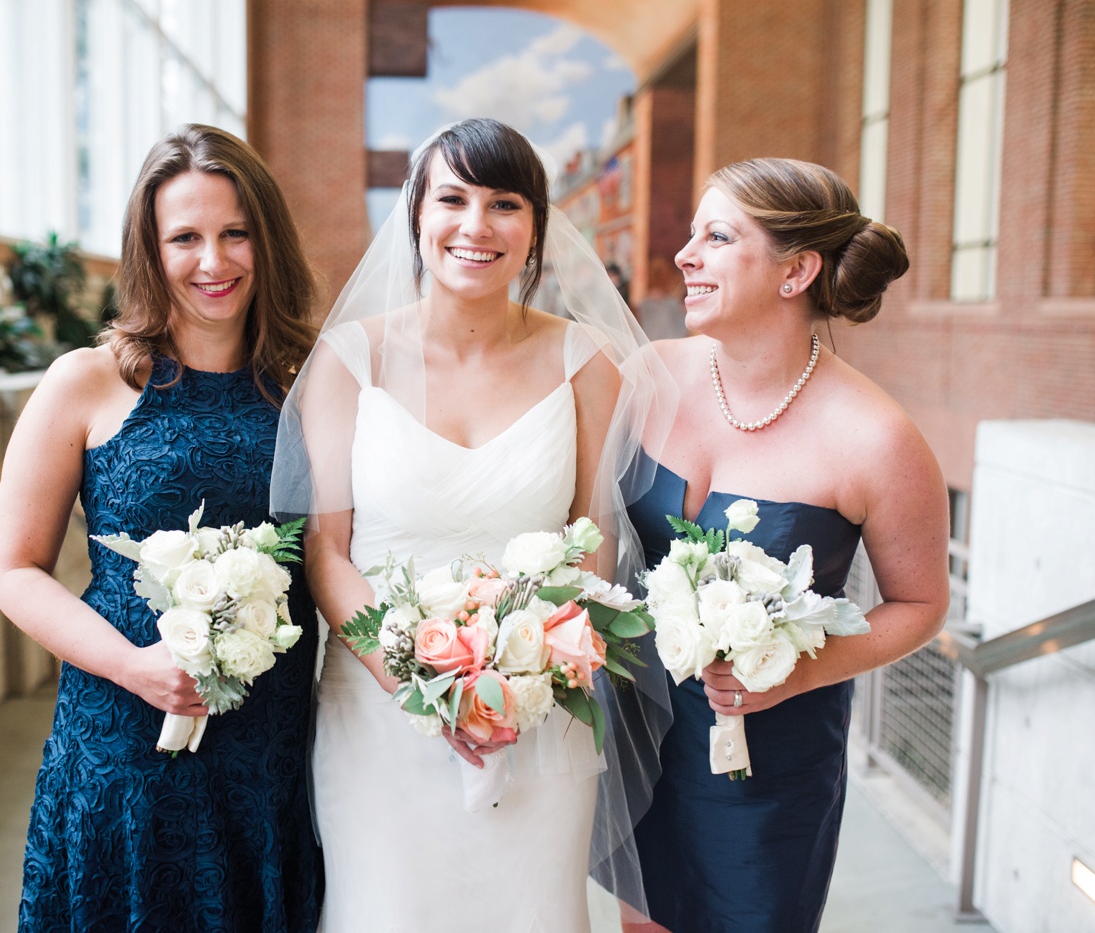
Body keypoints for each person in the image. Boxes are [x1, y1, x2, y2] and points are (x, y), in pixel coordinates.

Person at [271, 118, 669, 932]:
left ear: (537, 227)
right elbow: (327, 551)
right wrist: (417, 683)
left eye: (505, 204)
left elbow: (592, 545)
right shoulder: (349, 362)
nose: (476, 225)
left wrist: (521, 686)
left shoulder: (587, 363)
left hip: (536, 709)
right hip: (379, 705)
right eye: (452, 198)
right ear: (416, 216)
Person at [0, 124, 323, 932]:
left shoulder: (314, 383)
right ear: (149, 247)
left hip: (268, 749)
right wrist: (135, 667)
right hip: (124, 743)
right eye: (187, 237)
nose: (215, 261)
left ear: (266, 240)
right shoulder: (88, 382)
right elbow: (13, 568)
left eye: (236, 233)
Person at [623, 157, 950, 933]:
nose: (685, 255)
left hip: (767, 759)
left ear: (796, 270)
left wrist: (796, 674)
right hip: (640, 734)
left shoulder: (879, 440)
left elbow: (921, 604)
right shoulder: (649, 375)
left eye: (718, 236)